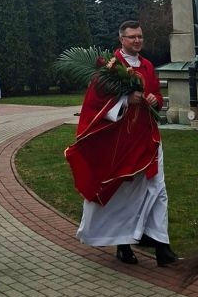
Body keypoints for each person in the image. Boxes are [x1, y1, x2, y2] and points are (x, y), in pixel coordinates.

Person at [65, 20, 178, 267]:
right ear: (121, 39)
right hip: (121, 143)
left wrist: (154, 100)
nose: (137, 40)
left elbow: (157, 95)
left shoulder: (147, 66)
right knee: (123, 193)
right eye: (132, 37)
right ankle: (123, 244)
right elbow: (95, 102)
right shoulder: (111, 67)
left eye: (140, 36)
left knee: (158, 190)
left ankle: (162, 247)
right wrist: (126, 100)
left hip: (148, 138)